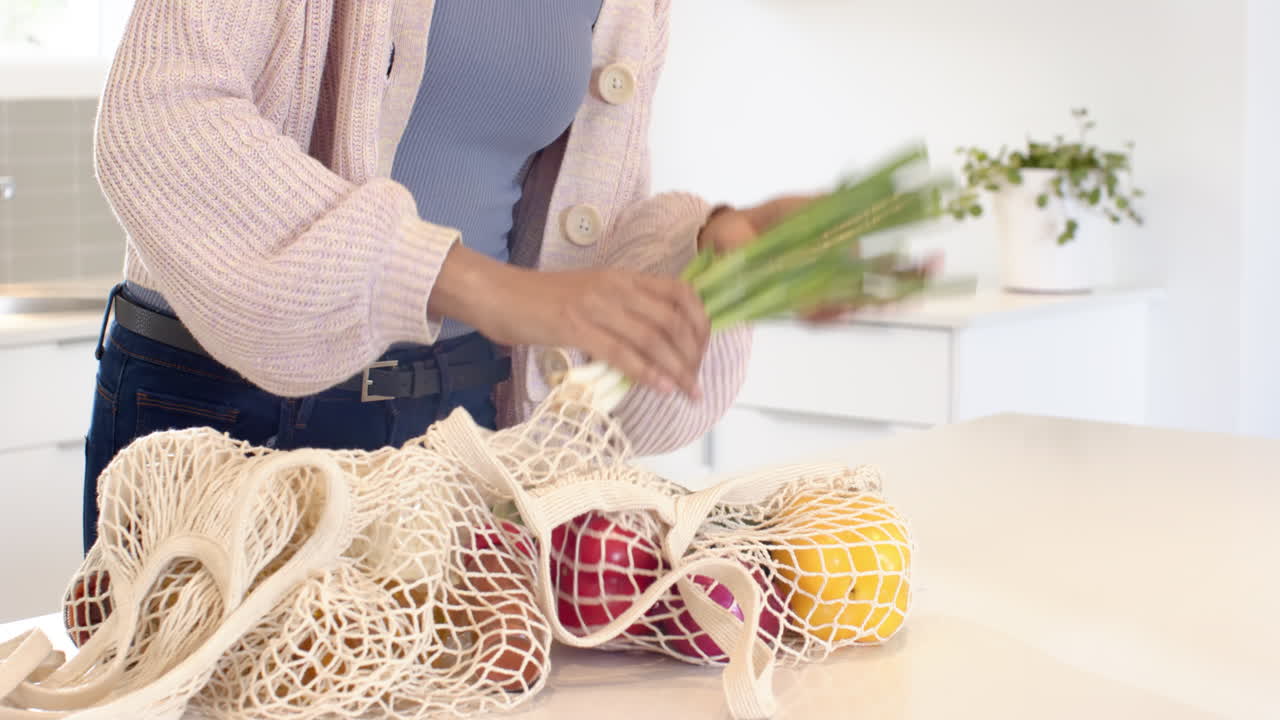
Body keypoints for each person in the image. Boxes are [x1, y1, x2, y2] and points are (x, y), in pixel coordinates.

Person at [81, 0, 849, 552]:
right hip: (228, 413)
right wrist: (475, 286)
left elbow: (571, 253)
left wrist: (710, 251)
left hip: (461, 424)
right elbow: (158, 119)